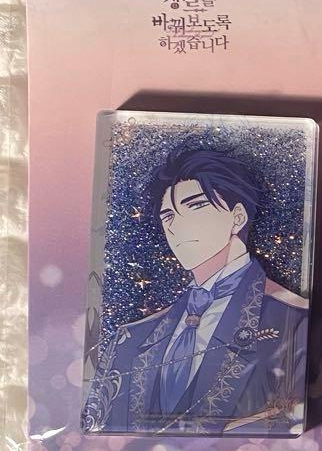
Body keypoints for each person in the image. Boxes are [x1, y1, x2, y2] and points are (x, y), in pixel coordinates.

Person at [83, 146, 308, 435]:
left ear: (237, 217)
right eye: (168, 216)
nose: (177, 226)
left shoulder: (294, 322)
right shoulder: (130, 338)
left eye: (196, 206)